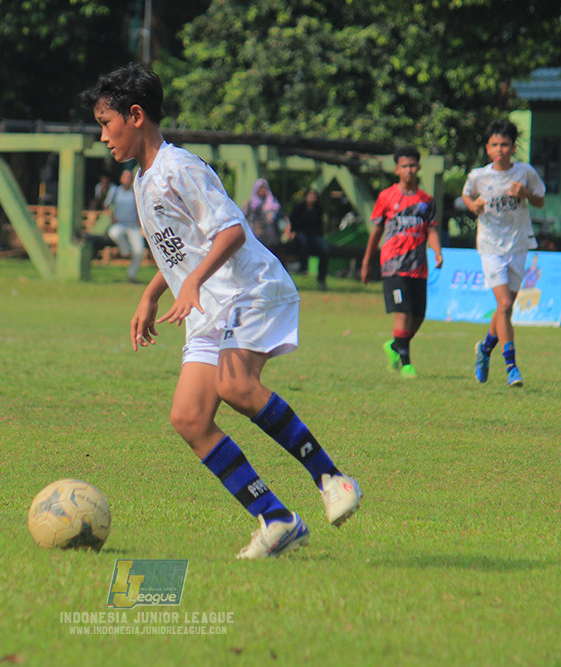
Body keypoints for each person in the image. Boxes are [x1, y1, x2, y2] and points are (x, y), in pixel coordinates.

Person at [79, 63, 362, 560]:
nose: (103, 135)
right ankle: (276, 519)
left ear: (136, 115)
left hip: (249, 289)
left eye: (107, 123)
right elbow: (182, 250)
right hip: (209, 306)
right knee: (188, 417)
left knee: (235, 386)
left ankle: (332, 478)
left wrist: (190, 282)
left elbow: (230, 231)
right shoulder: (145, 182)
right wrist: (153, 293)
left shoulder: (179, 168)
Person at [462, 119, 546, 388]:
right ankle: (512, 367)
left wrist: (525, 194)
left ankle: (484, 350)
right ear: (488, 148)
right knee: (506, 305)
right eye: (495, 144)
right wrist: (473, 205)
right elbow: (467, 196)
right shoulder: (479, 176)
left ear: (513, 147)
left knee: (503, 310)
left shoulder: (524, 173)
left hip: (518, 244)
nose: (500, 149)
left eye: (505, 144)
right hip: (490, 247)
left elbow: (540, 199)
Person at [361, 146, 443, 379]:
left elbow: (432, 230)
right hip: (393, 265)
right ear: (397, 169)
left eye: (413, 166)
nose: (409, 170)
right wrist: (368, 261)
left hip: (418, 266)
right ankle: (406, 364)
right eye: (404, 166)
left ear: (419, 168)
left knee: (418, 316)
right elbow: (376, 231)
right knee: (404, 311)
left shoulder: (426, 201)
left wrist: (437, 252)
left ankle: (395, 346)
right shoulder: (386, 197)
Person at [285, 188, 330, 288]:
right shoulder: (299, 207)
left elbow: (319, 225)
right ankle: (303, 267)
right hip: (301, 233)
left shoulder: (318, 208)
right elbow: (292, 221)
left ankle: (321, 278)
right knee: (302, 241)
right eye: (310, 195)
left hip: (314, 235)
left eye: (314, 195)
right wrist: (291, 232)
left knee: (324, 249)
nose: (312, 197)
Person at [105, 169, 144, 283]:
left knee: (139, 252)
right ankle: (125, 251)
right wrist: (111, 217)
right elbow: (106, 205)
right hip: (120, 224)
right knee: (113, 232)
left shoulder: (135, 191)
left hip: (133, 226)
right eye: (125, 177)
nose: (127, 180)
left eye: (129, 177)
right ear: (121, 179)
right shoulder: (115, 191)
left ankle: (131, 275)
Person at [242, 178, 284, 258]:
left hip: (271, 234)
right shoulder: (251, 203)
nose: (262, 190)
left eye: (263, 188)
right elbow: (245, 216)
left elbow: (281, 216)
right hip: (256, 233)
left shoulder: (272, 202)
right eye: (260, 188)